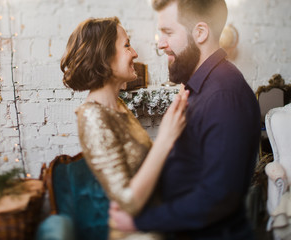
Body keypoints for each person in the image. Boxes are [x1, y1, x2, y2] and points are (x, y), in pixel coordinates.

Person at [109, 0, 261, 239]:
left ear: (200, 32)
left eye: (168, 32)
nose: (161, 44)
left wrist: (140, 220)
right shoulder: (198, 88)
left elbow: (217, 197)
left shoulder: (223, 95)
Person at [60, 17, 189, 240]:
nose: (135, 53)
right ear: (105, 57)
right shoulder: (91, 116)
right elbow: (127, 201)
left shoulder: (118, 105)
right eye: (127, 45)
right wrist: (166, 138)